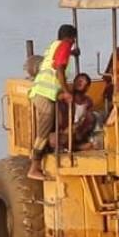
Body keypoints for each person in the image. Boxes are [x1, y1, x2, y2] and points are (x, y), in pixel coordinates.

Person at [26, 24, 77, 180]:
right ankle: (34, 167)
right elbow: (60, 69)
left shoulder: (56, 45)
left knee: (54, 123)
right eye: (73, 40)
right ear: (71, 38)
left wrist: (73, 53)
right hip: (44, 93)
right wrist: (67, 92)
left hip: (44, 92)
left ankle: (54, 149)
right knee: (43, 131)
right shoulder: (66, 46)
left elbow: (56, 62)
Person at [54, 73, 96, 151]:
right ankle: (78, 147)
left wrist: (78, 125)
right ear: (74, 82)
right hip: (64, 131)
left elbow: (88, 121)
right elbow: (56, 98)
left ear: (87, 87)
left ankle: (75, 146)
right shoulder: (65, 97)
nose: (80, 83)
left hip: (78, 132)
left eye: (83, 82)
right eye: (79, 80)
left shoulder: (88, 101)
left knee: (92, 116)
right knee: (58, 139)